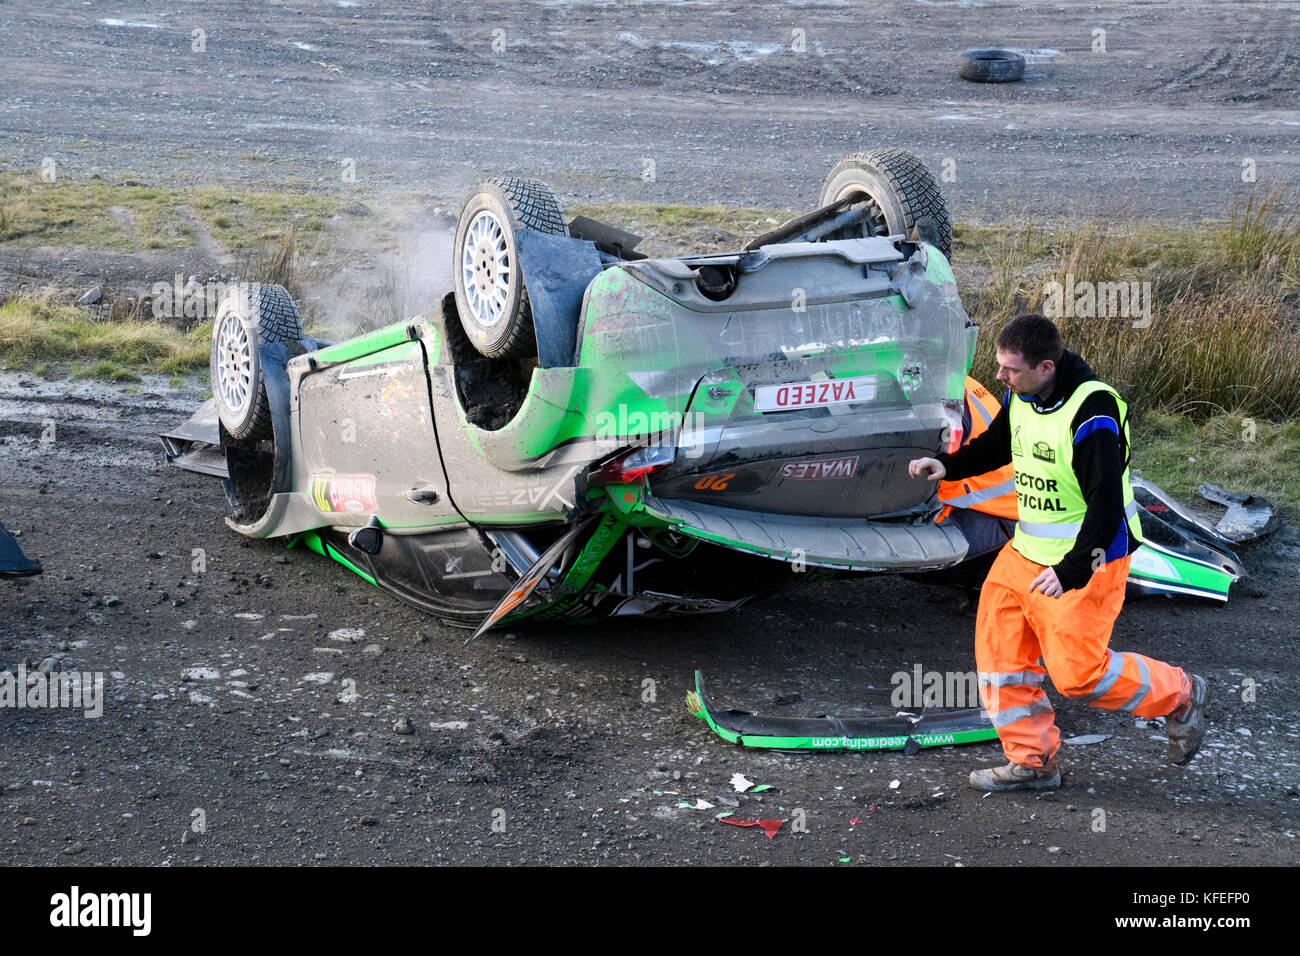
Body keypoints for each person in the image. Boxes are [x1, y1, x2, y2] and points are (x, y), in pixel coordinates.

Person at [908, 314, 1208, 791]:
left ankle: (1180, 694)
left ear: (1045, 366)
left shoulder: (1094, 414)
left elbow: (1106, 507)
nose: (1000, 377)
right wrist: (945, 466)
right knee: (1000, 656)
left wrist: (1068, 572)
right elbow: (999, 445)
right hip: (1024, 554)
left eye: (1010, 369)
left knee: (1078, 675)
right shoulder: (1024, 395)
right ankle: (1032, 762)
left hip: (1088, 561)